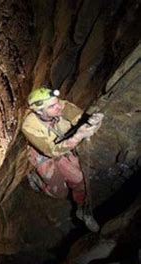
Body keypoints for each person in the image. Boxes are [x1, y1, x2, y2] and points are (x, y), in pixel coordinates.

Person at [21, 87, 104, 232]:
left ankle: (82, 211)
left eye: (57, 101)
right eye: (52, 106)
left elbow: (82, 120)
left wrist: (94, 123)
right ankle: (38, 180)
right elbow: (50, 151)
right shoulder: (29, 126)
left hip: (64, 147)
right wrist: (77, 136)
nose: (59, 106)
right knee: (60, 193)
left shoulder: (63, 107)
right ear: (40, 111)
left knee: (79, 180)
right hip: (43, 154)